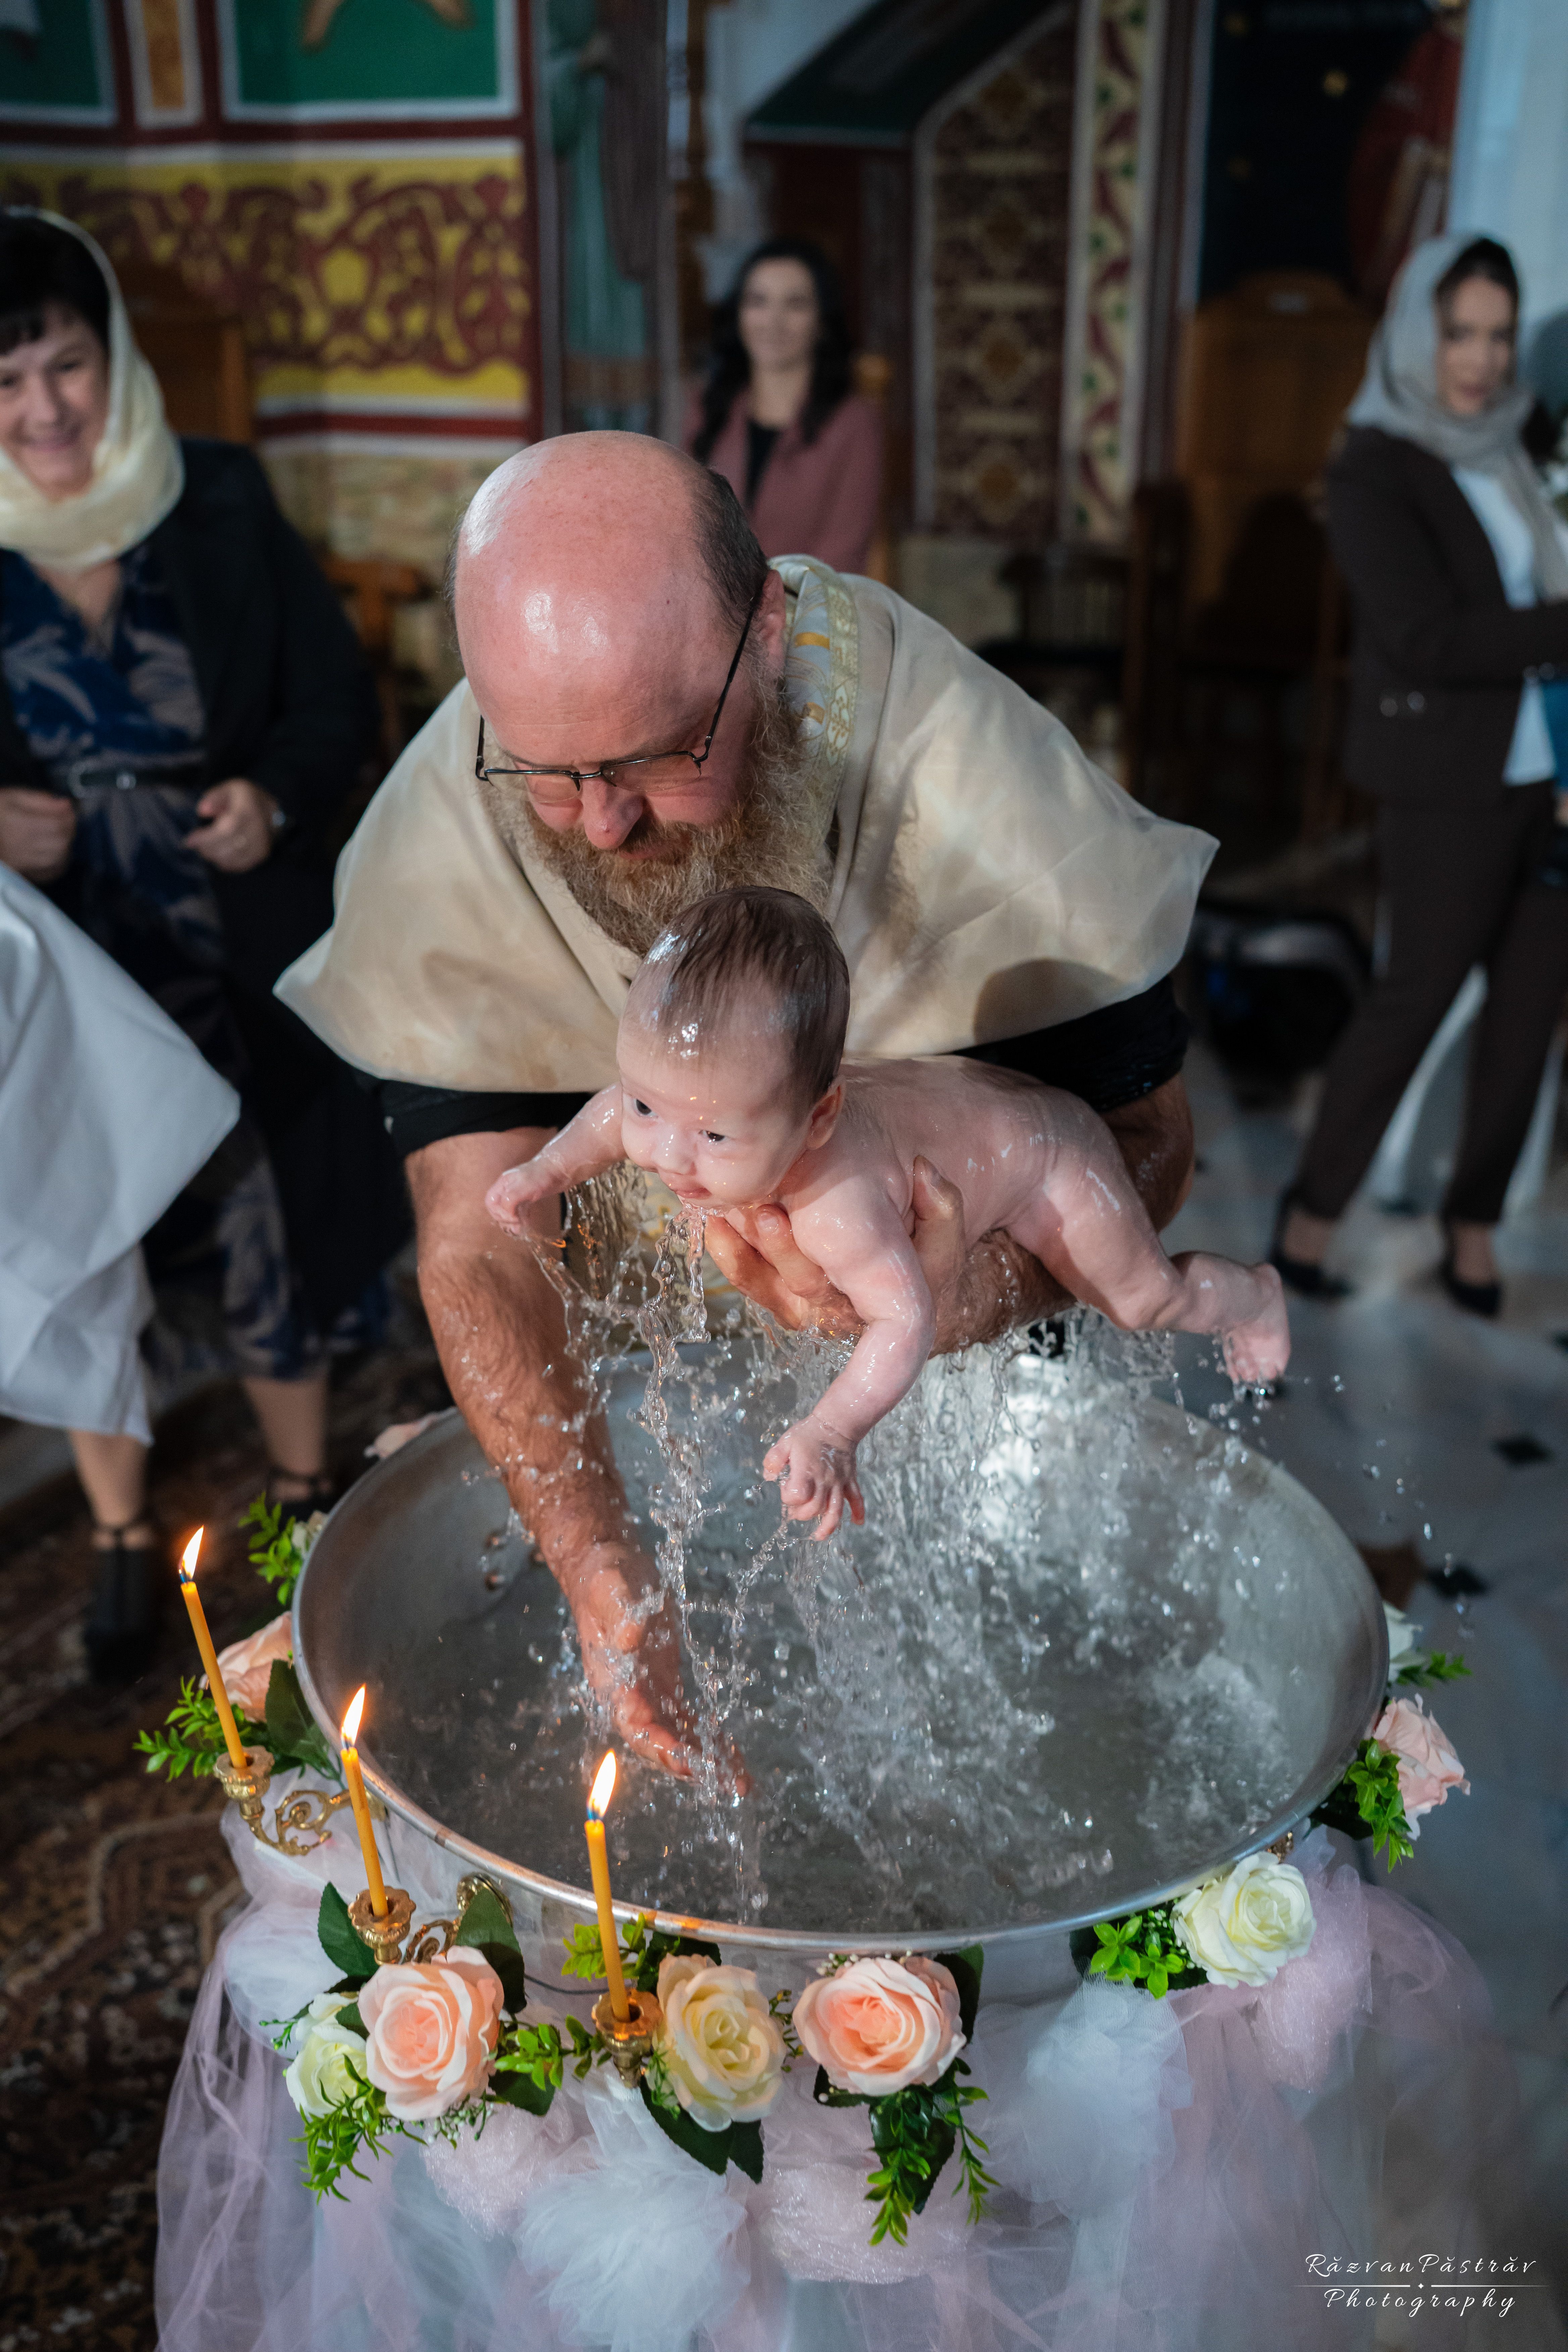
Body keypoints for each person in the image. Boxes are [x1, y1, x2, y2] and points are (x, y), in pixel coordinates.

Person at [278, 430, 1215, 1775]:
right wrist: (600, 1569)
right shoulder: (458, 795)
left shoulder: (963, 776)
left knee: (1001, 1744)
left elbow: (1146, 1144)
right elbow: (479, 1236)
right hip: (661, 1384)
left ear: (764, 631)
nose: (599, 825)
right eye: (546, 773)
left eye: (658, 756)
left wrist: (947, 1304)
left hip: (972, 1381)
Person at [0, 209, 407, 1666]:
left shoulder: (221, 496)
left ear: (110, 356)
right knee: (81, 1218)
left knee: (262, 1207)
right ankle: (120, 1531)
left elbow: (335, 709)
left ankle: (303, 1495)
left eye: (65, 364)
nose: (46, 409)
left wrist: (274, 798)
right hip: (57, 963)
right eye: (6, 385)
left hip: (225, 926)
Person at [488, 886, 1290, 1536]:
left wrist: (832, 1431)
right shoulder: (697, 1106)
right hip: (970, 1109)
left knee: (1139, 1299)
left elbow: (905, 1321)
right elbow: (607, 1113)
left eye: (715, 1134)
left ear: (820, 1117)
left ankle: (1250, 1296)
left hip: (1051, 1155)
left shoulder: (835, 1203)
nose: (666, 1156)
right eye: (647, 1107)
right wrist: (546, 1170)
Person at [1275, 235, 1568, 1318]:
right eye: (1460, 332)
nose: (1481, 359)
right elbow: (1426, 637)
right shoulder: (1375, 462)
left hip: (1553, 779)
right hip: (1448, 783)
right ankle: (1307, 1214)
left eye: (1497, 333)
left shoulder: (1517, 444)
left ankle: (1474, 1222)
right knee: (1415, 1002)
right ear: (1416, 331)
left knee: (1528, 1017)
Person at [686, 238, 883, 575]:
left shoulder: (854, 423)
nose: (773, 321)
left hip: (810, 616)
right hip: (709, 613)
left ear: (822, 320)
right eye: (758, 301)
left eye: (795, 304)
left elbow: (842, 557)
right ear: (739, 313)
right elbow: (682, 531)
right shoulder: (705, 406)